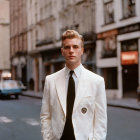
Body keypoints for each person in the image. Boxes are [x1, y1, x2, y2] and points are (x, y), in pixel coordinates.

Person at [40, 30, 107, 140]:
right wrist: (48, 138)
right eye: (67, 47)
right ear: (62, 51)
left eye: (75, 47)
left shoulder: (96, 81)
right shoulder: (50, 80)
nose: (71, 51)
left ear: (82, 51)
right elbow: (45, 115)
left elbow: (101, 120)